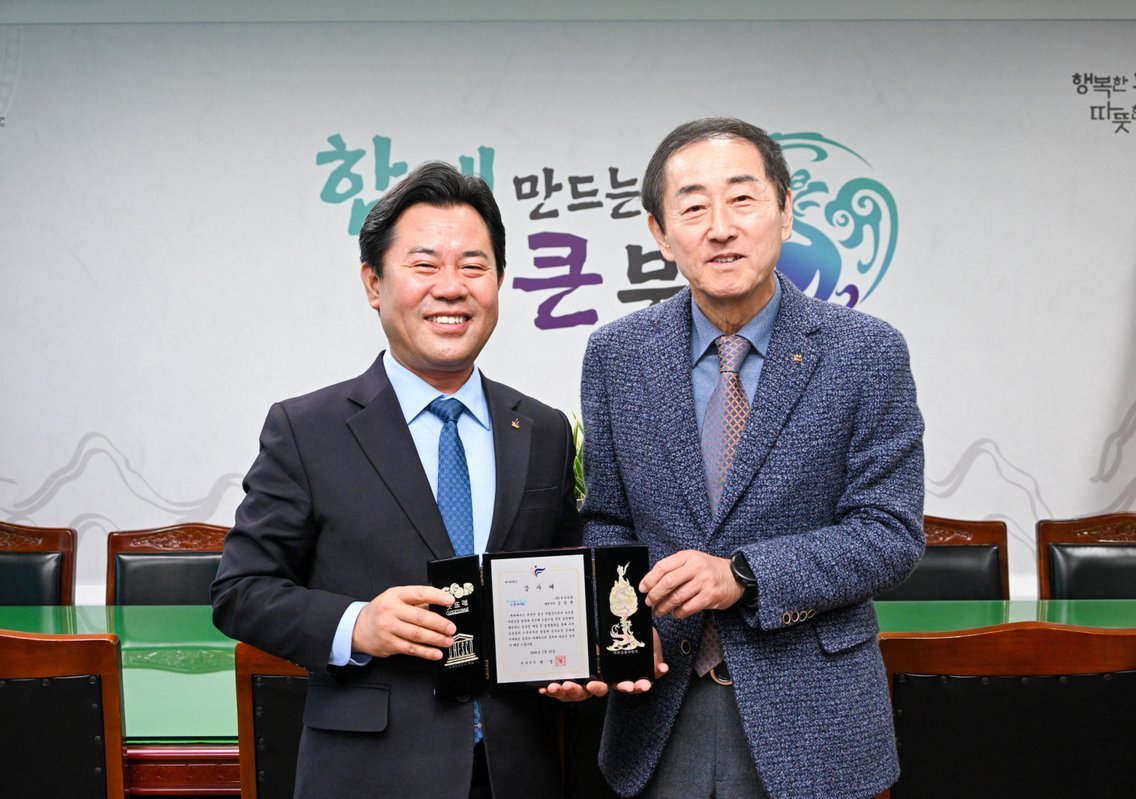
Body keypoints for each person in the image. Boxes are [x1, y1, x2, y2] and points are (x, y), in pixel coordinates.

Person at [573, 117, 925, 799]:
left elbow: (889, 534)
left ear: (785, 211)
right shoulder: (617, 354)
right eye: (693, 207)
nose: (720, 227)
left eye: (742, 199)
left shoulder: (865, 352)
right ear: (660, 232)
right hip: (658, 708)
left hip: (816, 716)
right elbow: (607, 520)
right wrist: (620, 628)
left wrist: (743, 573)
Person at [211, 161, 581, 799]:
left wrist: (580, 658)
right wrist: (356, 624)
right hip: (369, 772)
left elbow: (567, 578)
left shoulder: (542, 429)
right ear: (374, 283)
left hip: (517, 768)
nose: (451, 288)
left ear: (498, 281)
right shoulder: (308, 429)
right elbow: (240, 591)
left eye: (473, 266)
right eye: (424, 265)